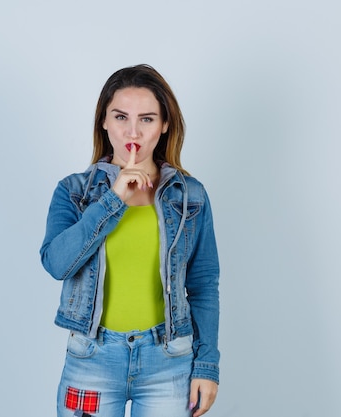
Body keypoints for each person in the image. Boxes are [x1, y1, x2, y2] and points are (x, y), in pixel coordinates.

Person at [40, 64, 220, 417]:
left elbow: (204, 284)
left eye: (147, 119)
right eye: (121, 117)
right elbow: (56, 263)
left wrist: (207, 365)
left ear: (165, 125)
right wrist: (113, 200)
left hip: (168, 362)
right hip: (91, 358)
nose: (132, 131)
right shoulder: (73, 192)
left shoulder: (190, 196)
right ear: (104, 122)